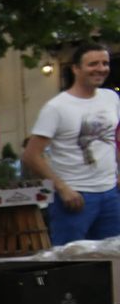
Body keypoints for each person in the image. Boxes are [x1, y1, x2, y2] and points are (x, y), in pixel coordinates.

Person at [24, 42, 120, 246]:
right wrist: (62, 188)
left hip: (110, 194)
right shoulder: (57, 107)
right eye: (93, 64)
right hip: (75, 196)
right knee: (70, 261)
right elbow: (32, 155)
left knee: (112, 260)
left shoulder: (111, 98)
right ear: (76, 68)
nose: (101, 68)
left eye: (105, 63)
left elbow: (113, 139)